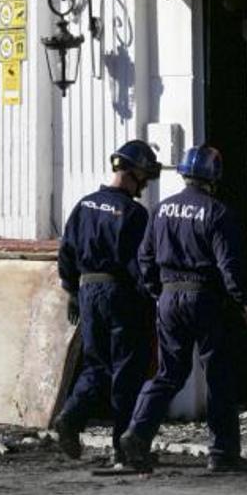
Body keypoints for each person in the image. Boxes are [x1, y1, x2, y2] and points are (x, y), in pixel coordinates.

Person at [119, 145, 247, 473]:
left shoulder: (160, 210)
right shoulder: (218, 212)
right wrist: (245, 302)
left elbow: (144, 257)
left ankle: (137, 433)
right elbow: (229, 265)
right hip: (204, 299)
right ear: (214, 177)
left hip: (169, 298)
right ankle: (223, 453)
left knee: (169, 373)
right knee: (218, 375)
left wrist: (159, 291)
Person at [53, 139, 162, 463]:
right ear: (133, 172)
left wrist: (72, 291)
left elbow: (66, 252)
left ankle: (71, 416)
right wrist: (151, 301)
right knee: (127, 370)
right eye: (144, 177)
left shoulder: (84, 205)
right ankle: (124, 449)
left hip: (88, 292)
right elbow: (140, 266)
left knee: (95, 365)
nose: (144, 184)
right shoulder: (134, 213)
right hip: (120, 295)